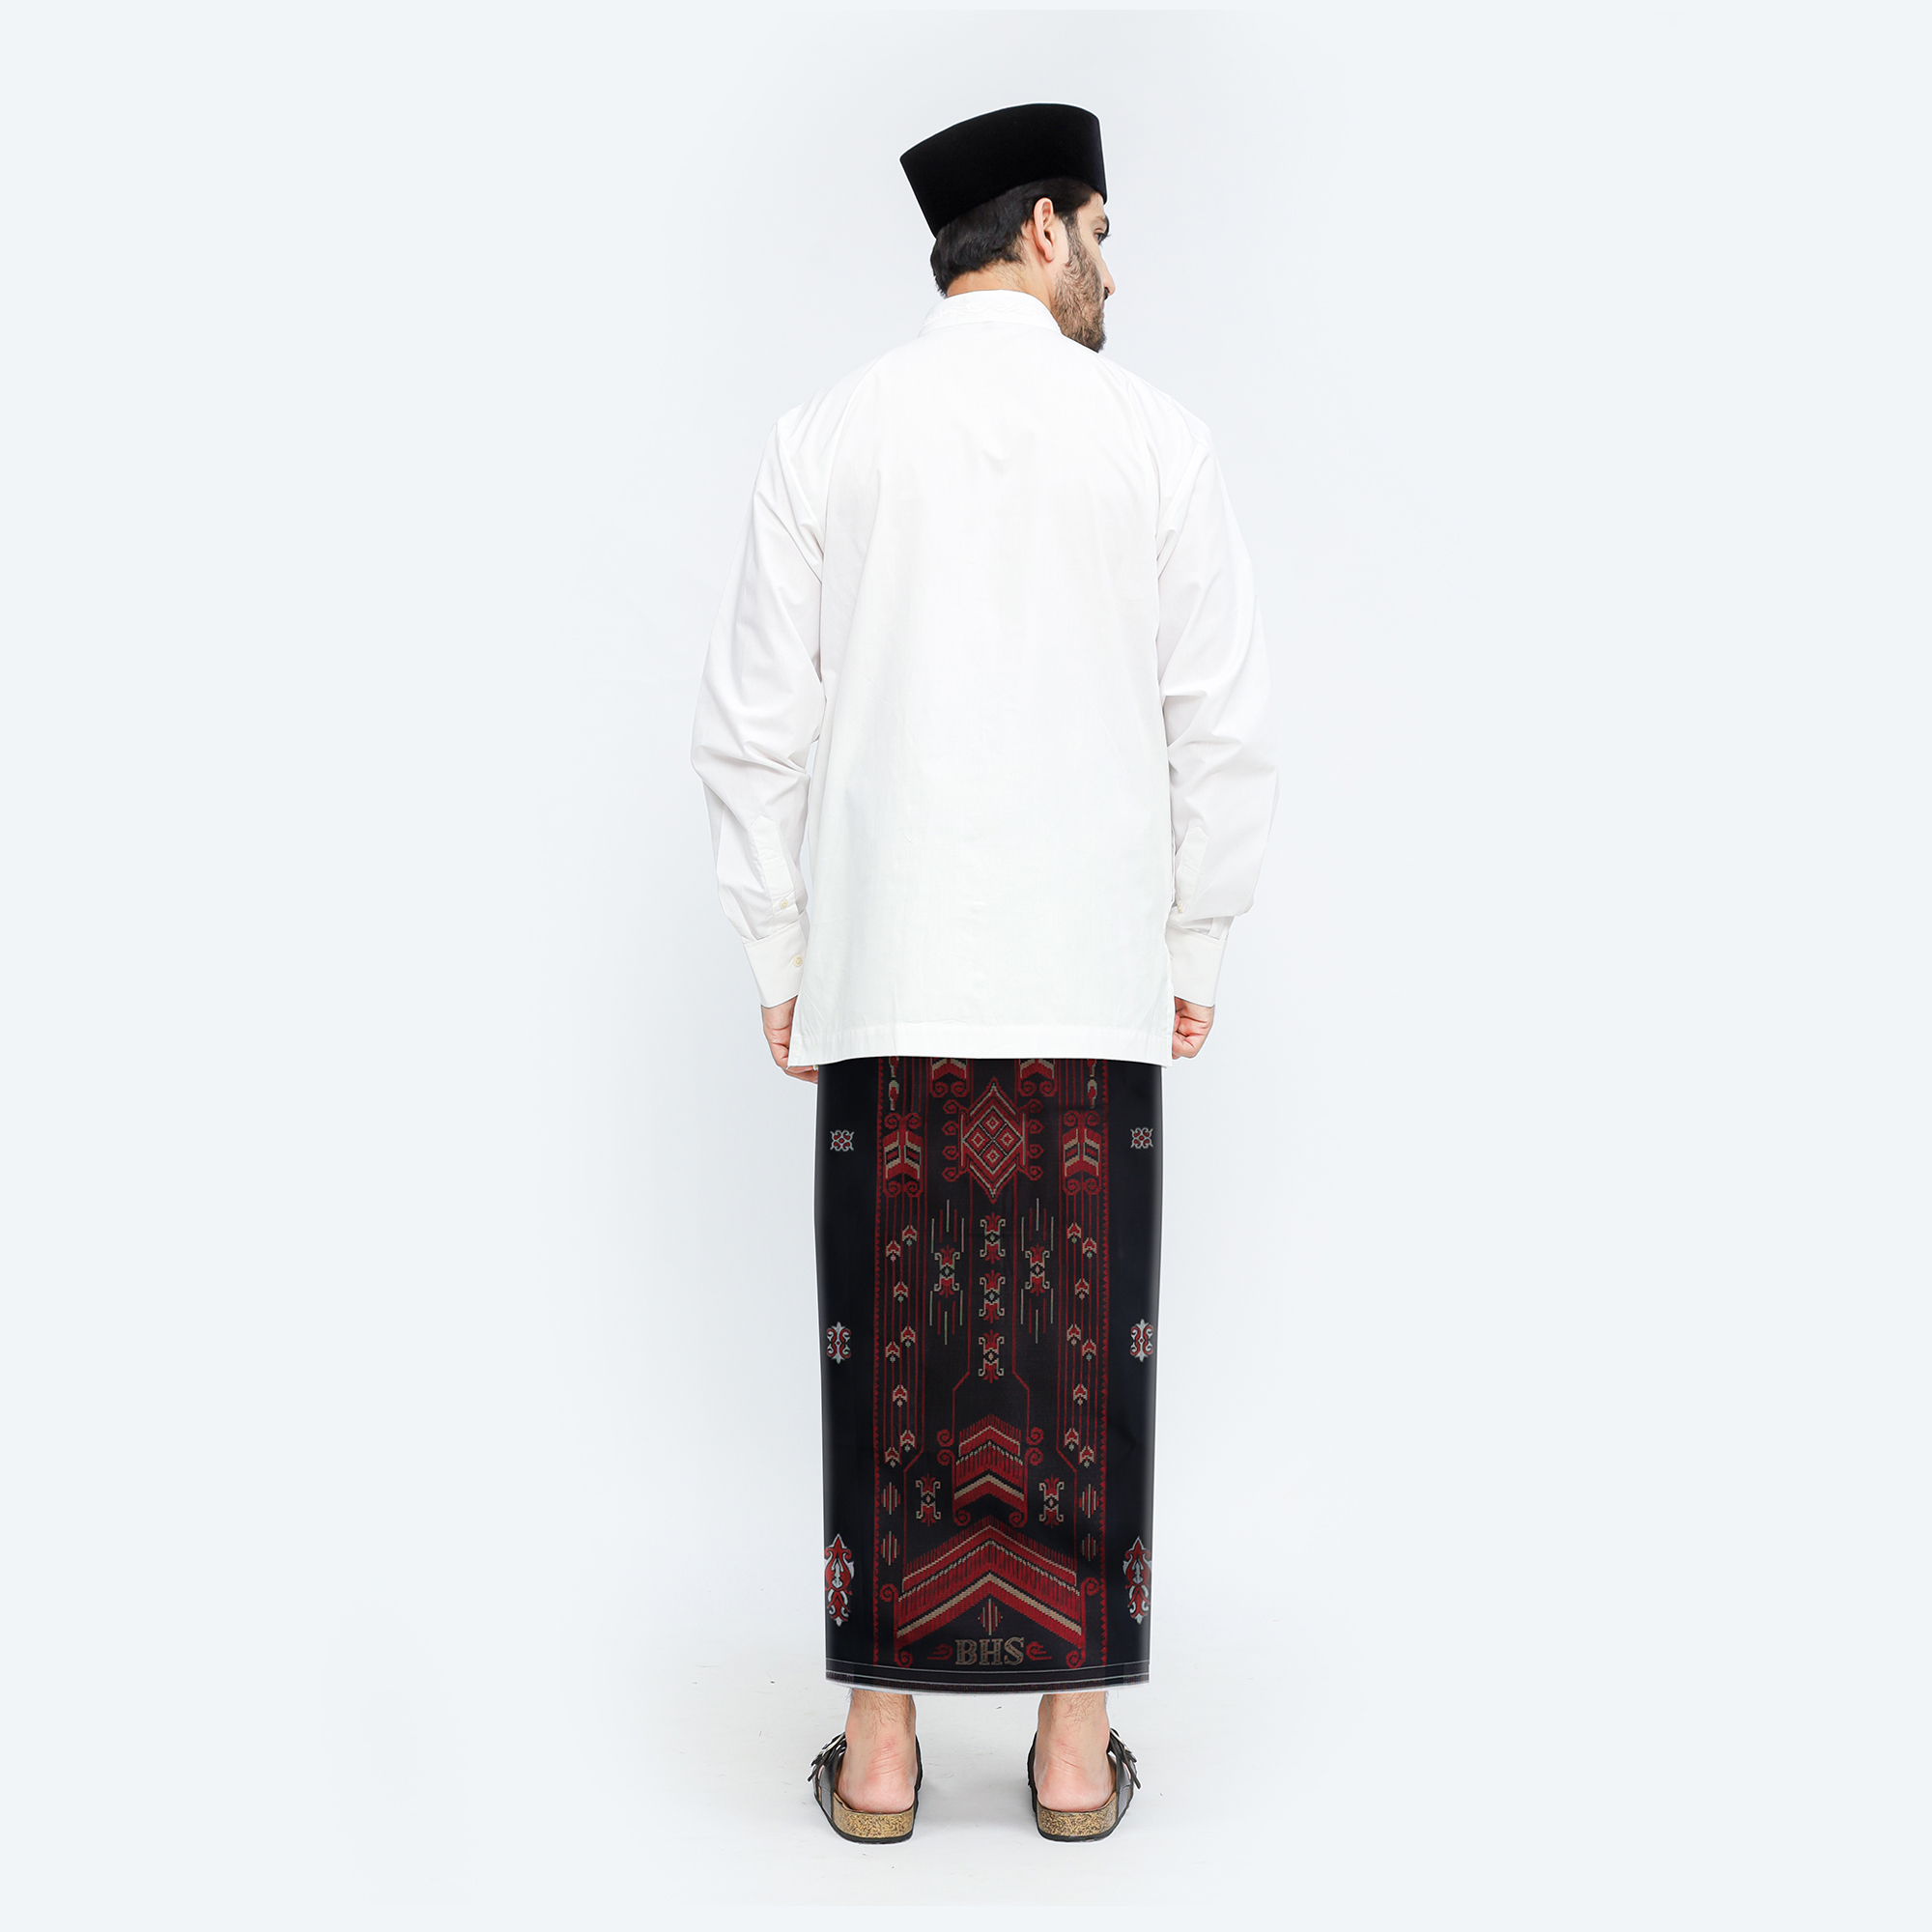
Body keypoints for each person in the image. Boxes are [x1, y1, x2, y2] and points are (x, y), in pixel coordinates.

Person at [690, 101, 1276, 1843]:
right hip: (1088, 980)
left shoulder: (828, 435)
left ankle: (880, 1758)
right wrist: (1197, 934)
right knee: (1084, 1358)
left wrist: (781, 947)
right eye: (1099, 232)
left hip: (889, 975)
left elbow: (753, 725)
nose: (1111, 270)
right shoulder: (1156, 441)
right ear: (1040, 227)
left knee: (891, 1352)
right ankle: (1072, 1758)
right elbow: (1221, 725)